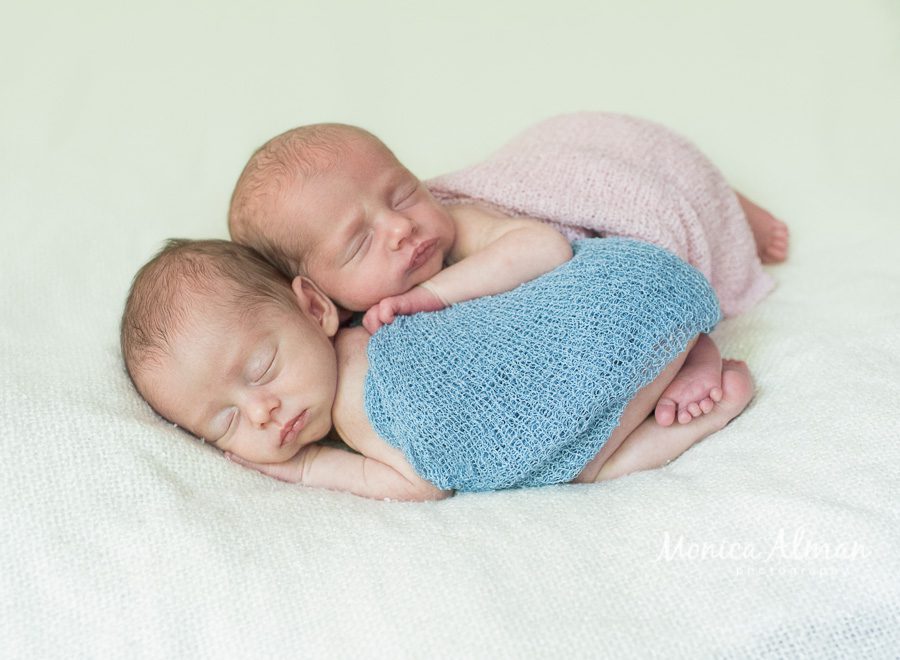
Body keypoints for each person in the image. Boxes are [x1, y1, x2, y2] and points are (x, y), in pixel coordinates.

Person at [120, 239, 755, 502]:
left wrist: (312, 468)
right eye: (225, 422)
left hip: (568, 326)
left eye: (261, 367)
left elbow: (422, 485)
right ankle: (691, 378)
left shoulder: (377, 332)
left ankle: (684, 353)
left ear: (314, 309)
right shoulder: (340, 400)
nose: (262, 413)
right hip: (598, 370)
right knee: (580, 464)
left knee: (583, 457)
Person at [228, 122, 769, 425]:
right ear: (323, 300)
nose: (399, 227)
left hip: (604, 235)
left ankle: (700, 327)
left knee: (653, 280)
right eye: (360, 241)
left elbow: (544, 247)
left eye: (403, 194)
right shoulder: (360, 345)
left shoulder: (458, 225)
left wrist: (438, 291)